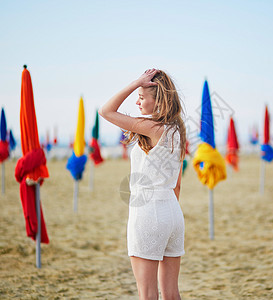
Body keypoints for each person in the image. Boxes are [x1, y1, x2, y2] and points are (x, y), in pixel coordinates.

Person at [99, 69, 186, 300]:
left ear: (158, 101)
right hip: (173, 212)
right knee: (171, 293)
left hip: (149, 210)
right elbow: (177, 184)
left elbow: (105, 111)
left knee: (147, 293)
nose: (137, 101)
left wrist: (135, 82)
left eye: (141, 96)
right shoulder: (178, 131)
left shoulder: (152, 129)